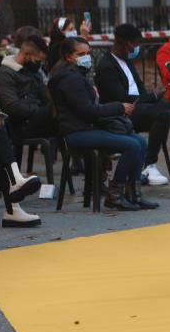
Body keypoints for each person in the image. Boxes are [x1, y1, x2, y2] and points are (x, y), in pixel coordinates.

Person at [48, 37, 154, 211]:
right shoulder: (70, 79)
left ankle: (134, 194)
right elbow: (87, 111)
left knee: (140, 142)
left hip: (87, 127)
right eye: (81, 54)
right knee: (132, 145)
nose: (86, 57)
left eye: (88, 53)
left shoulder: (75, 75)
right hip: (76, 132)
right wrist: (119, 107)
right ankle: (115, 195)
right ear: (68, 57)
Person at [94, 23, 170, 186]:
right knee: (162, 114)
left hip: (141, 106)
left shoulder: (126, 61)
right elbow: (121, 97)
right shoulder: (107, 66)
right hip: (122, 112)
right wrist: (152, 97)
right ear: (125, 43)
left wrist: (155, 96)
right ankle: (148, 165)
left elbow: (140, 90)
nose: (137, 48)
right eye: (135, 44)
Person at [0, 35, 57, 140]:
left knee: (70, 120)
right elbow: (12, 107)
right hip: (22, 124)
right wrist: (42, 111)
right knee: (67, 125)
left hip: (39, 117)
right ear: (26, 54)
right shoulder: (6, 73)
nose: (38, 64)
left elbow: (45, 97)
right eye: (37, 61)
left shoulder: (32, 70)